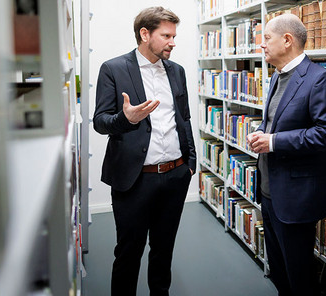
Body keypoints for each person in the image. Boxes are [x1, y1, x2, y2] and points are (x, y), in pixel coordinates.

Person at [93, 7, 195, 296]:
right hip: (134, 179)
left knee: (163, 252)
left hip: (175, 175)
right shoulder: (113, 68)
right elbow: (100, 122)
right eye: (166, 35)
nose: (173, 42)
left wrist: (190, 163)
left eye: (174, 36)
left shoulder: (177, 71)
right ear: (145, 34)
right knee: (128, 253)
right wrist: (127, 119)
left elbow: (183, 118)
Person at [247, 13, 326, 296]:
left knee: (299, 276)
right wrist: (261, 131)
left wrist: (274, 141)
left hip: (296, 196)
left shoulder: (318, 79)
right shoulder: (277, 76)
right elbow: (274, 119)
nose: (261, 45)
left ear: (287, 40)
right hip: (268, 192)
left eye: (266, 38)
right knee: (278, 271)